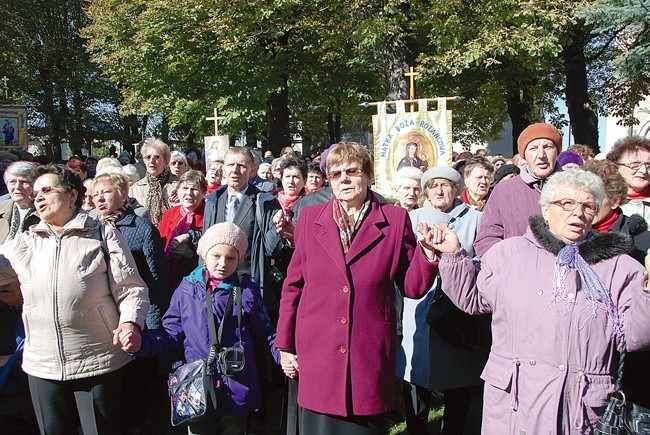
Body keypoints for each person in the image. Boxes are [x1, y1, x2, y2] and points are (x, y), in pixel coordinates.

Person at [431, 169, 650, 434]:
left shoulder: (619, 267)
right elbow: (473, 299)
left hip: (580, 412)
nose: (578, 213)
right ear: (545, 209)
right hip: (514, 407)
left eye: (588, 206)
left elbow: (636, 336)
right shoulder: (509, 254)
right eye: (567, 203)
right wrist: (454, 255)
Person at [275, 141, 439, 434]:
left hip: (367, 355)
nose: (344, 179)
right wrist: (286, 346)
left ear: (369, 175)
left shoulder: (394, 219)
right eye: (336, 174)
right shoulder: (310, 219)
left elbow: (412, 287)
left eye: (352, 171)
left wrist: (427, 256)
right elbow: (293, 287)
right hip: (319, 352)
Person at [0, 164, 149, 434]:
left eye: (47, 190)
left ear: (71, 195)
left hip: (97, 360)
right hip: (42, 364)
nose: (39, 197)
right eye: (36, 194)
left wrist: (130, 323)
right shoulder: (24, 242)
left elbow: (131, 289)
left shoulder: (101, 235)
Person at [125, 222, 280, 435]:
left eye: (231, 258)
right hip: (196, 389)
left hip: (236, 385)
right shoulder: (187, 289)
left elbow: (266, 335)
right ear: (204, 255)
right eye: (216, 256)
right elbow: (170, 333)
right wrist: (141, 344)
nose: (222, 263)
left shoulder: (247, 291)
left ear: (240, 259)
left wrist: (284, 355)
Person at [397, 166, 486, 435]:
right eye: (433, 185)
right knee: (417, 379)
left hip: (458, 311)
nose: (439, 190)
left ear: (457, 190)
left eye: (445, 185)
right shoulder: (411, 218)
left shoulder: (476, 219)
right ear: (425, 191)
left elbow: (484, 261)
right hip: (420, 308)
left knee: (458, 384)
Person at [91, 170, 170, 434]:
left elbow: (157, 281)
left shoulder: (141, 228)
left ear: (124, 195)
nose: (99, 198)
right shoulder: (89, 229)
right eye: (95, 193)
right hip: (101, 319)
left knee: (134, 387)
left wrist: (152, 325)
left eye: (106, 192)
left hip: (136, 319)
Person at [201, 147, 284, 314]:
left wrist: (278, 228)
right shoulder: (212, 202)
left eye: (241, 165)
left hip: (250, 287)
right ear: (223, 169)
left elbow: (272, 249)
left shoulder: (265, 203)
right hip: (217, 287)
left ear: (252, 170)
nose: (235, 170)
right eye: (230, 164)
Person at [474, 123, 562, 256]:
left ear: (557, 151)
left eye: (548, 147)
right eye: (533, 148)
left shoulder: (576, 188)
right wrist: (508, 268)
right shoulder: (504, 191)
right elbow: (487, 239)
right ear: (524, 155)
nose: (541, 154)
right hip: (517, 272)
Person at [0, 275, 38, 435]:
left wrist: (7, 360)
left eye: (11, 277)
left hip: (30, 398)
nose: (5, 284)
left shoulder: (41, 310)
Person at [158, 170, 206, 291]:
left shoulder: (209, 215)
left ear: (203, 192)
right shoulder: (169, 214)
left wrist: (190, 255)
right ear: (178, 191)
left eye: (194, 189)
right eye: (184, 188)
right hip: (166, 277)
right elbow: (159, 244)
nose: (189, 193)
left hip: (193, 281)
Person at [129, 138, 179, 225]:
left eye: (157, 157)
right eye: (148, 157)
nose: (151, 161)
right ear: (144, 161)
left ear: (165, 161)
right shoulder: (135, 189)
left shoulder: (179, 185)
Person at [606, 136, 650, 226]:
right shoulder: (605, 202)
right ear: (616, 166)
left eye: (648, 165)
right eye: (635, 165)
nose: (644, 170)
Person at [0, 162, 40, 243]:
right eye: (12, 182)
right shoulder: (2, 208)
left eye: (24, 181)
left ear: (35, 184)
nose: (17, 187)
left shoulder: (44, 210)